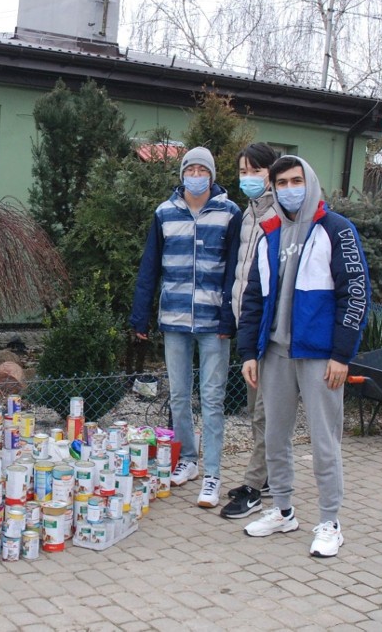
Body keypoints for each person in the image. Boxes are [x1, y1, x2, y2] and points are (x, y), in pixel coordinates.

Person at [238, 155, 370, 557]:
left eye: (297, 180)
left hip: (319, 357)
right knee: (275, 436)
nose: (290, 188)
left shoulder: (337, 229)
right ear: (274, 188)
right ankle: (282, 510)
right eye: (282, 183)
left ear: (310, 182)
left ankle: (330, 521)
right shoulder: (270, 233)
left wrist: (341, 354)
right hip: (275, 354)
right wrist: (249, 351)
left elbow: (356, 295)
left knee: (324, 441)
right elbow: (253, 301)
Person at [130, 146, 241, 508]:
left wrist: (229, 316)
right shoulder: (164, 213)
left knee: (211, 399)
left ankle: (212, 475)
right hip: (174, 319)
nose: (196, 175)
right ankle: (188, 461)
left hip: (213, 323)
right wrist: (140, 314)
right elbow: (150, 266)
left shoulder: (229, 213)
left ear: (211, 174)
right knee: (179, 396)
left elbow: (236, 270)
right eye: (190, 169)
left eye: (202, 169)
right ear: (181, 174)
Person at [220, 143, 279, 519]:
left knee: (265, 413)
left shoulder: (281, 215)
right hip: (248, 326)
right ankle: (268, 476)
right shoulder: (247, 215)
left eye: (255, 170)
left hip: (270, 333)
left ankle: (255, 486)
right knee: (256, 408)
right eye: (243, 171)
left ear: (272, 172)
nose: (248, 178)